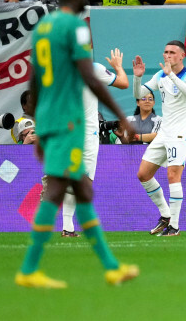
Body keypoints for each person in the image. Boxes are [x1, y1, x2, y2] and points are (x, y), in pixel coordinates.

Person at [16, 0, 138, 288]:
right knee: (58, 189)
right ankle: (29, 269)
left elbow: (35, 81)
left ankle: (111, 266)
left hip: (52, 118)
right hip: (70, 120)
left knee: (82, 189)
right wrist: (121, 115)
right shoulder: (75, 27)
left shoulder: (43, 27)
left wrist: (40, 125)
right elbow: (87, 75)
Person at [54, 49, 129, 238]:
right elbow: (123, 83)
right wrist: (118, 67)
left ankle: (67, 227)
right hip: (86, 133)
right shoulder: (94, 68)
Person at [132, 40, 186, 237]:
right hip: (164, 134)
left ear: (182, 56)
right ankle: (166, 215)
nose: (167, 55)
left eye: (172, 52)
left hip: (180, 134)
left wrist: (171, 75)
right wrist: (137, 78)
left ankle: (175, 226)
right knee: (143, 174)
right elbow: (139, 94)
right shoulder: (159, 75)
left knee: (173, 176)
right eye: (165, 52)